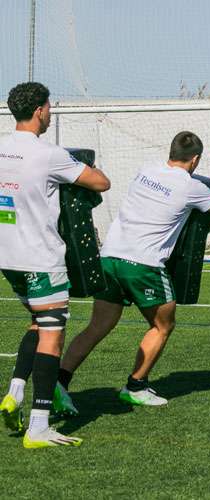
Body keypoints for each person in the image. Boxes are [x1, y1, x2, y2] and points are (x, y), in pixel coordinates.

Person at [54, 131, 210, 411]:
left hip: (110, 256)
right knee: (163, 325)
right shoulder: (190, 187)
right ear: (195, 159)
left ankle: (59, 383)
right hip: (143, 264)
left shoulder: (146, 170)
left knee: (98, 326)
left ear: (170, 152)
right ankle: (136, 386)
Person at [0, 82, 110, 448]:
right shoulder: (50, 154)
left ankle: (15, 391)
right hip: (41, 256)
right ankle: (39, 425)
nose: (50, 113)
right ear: (39, 111)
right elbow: (101, 183)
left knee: (37, 322)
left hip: (8, 258)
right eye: (49, 107)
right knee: (52, 333)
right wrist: (82, 166)